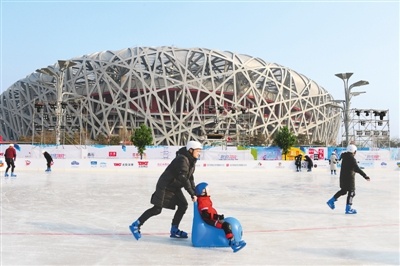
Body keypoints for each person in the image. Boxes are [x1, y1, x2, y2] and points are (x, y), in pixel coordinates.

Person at [129, 140, 202, 240]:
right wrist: (191, 193)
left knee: (183, 205)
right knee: (157, 209)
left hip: (174, 186)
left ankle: (174, 229)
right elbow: (183, 178)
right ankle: (136, 225)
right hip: (165, 186)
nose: (199, 153)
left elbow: (190, 178)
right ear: (190, 150)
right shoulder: (182, 159)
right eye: (198, 150)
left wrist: (194, 191)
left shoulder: (191, 161)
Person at [195, 182, 246, 253]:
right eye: (207, 189)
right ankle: (233, 243)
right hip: (211, 221)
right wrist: (217, 217)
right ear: (203, 192)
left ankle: (233, 241)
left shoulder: (205, 199)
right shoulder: (203, 202)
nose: (209, 190)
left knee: (226, 224)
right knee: (226, 225)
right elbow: (205, 215)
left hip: (212, 219)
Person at [326, 144, 370, 214]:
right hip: (349, 178)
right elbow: (357, 169)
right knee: (351, 192)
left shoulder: (345, 156)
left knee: (343, 191)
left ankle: (331, 201)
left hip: (343, 177)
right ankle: (348, 208)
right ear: (354, 151)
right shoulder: (352, 158)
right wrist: (365, 176)